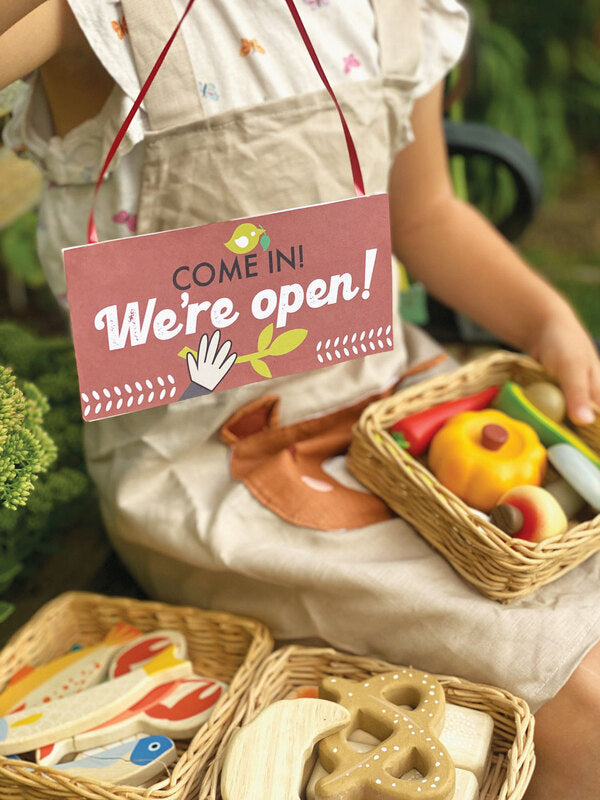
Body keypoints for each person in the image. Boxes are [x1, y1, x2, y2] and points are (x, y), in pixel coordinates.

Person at [1, 2, 600, 797]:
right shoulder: (100, 17)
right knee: (578, 695)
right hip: (204, 462)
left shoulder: (395, 11)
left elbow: (421, 214)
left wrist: (545, 318)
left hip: (391, 404)